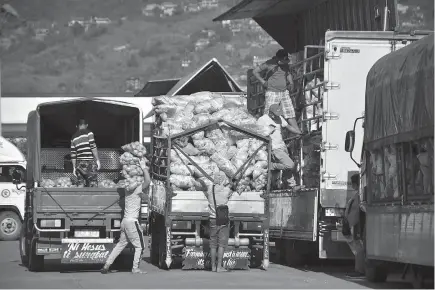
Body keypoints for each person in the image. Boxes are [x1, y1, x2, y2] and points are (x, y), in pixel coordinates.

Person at [101, 159, 151, 274]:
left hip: (125, 222)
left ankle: (106, 265)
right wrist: (144, 168)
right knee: (140, 247)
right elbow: (147, 181)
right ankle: (135, 268)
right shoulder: (137, 189)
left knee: (120, 244)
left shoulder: (126, 189)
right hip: (132, 222)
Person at [252, 49, 299, 133]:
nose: (284, 62)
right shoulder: (269, 63)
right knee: (269, 115)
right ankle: (266, 134)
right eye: (282, 60)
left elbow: (287, 73)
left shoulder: (286, 64)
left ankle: (299, 132)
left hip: (284, 92)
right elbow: (255, 71)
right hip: (272, 92)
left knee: (290, 113)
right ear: (278, 58)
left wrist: (291, 82)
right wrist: (262, 81)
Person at [257, 104, 302, 188]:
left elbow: (288, 126)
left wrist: (298, 132)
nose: (277, 117)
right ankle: (271, 166)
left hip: (282, 146)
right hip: (275, 148)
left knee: (287, 167)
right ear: (270, 113)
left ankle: (292, 185)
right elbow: (259, 133)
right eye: (275, 115)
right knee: (290, 165)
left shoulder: (279, 118)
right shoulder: (262, 120)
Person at [201, 180, 233, 272]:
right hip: (223, 220)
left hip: (212, 219)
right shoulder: (226, 191)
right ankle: (219, 267)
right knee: (221, 244)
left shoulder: (210, 190)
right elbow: (233, 189)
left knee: (213, 244)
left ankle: (213, 266)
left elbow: (204, 186)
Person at [343, 174, 365, 278]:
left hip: (356, 225)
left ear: (356, 184)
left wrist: (352, 225)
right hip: (354, 224)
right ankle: (359, 269)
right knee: (357, 247)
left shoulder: (359, 196)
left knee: (359, 247)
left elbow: (357, 212)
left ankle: (359, 270)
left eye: (353, 184)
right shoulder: (357, 195)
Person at [70, 119, 101, 187]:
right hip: (89, 163)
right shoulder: (89, 133)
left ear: (77, 126)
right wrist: (97, 160)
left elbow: (73, 154)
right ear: (87, 125)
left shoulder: (73, 137)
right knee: (93, 185)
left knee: (80, 185)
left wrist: (74, 167)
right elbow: (93, 146)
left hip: (79, 164)